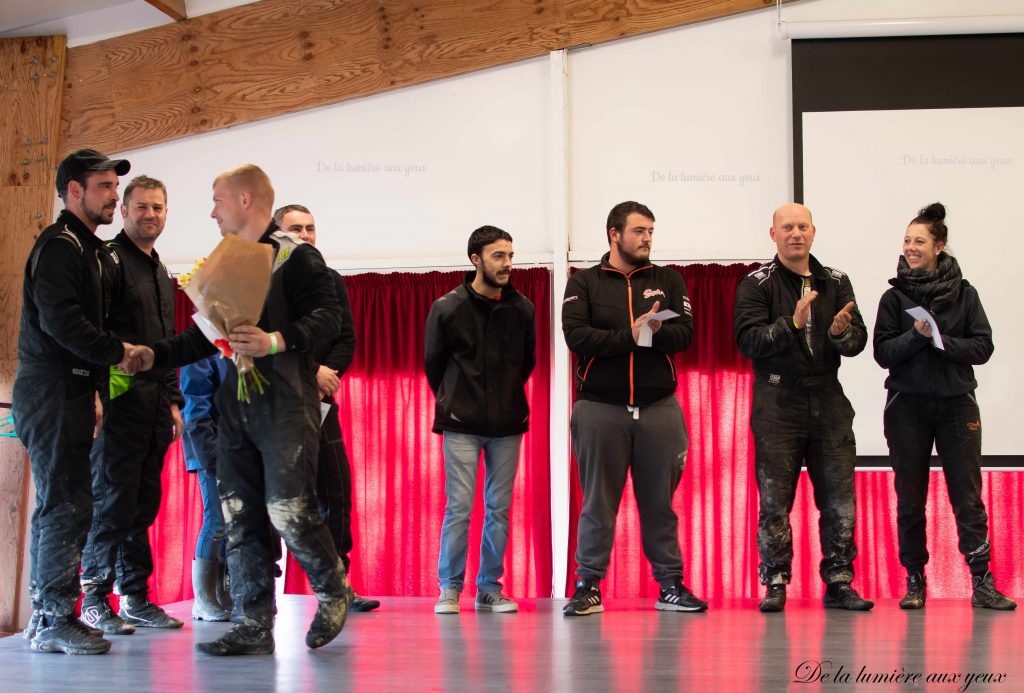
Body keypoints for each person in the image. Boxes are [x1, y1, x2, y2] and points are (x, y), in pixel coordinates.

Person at [130, 164, 351, 655]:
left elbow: (330, 318)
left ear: (246, 200)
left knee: (288, 508)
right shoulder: (226, 260)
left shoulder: (298, 258)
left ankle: (333, 589)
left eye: (218, 200)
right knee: (238, 514)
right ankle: (254, 622)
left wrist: (276, 340)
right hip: (236, 406)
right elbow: (205, 334)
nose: (212, 211)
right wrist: (154, 355)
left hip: (287, 403)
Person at [13, 148, 140, 655]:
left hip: (72, 389)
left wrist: (94, 389)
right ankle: (49, 620)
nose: (114, 195)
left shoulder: (88, 249)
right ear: (73, 191)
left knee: (72, 502)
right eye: (105, 186)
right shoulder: (61, 246)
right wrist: (119, 354)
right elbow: (61, 323)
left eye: (114, 185)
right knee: (63, 504)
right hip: (48, 389)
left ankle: (53, 615)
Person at [561, 201, 707, 616]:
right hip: (599, 408)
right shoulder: (584, 282)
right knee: (597, 502)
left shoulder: (669, 279)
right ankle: (588, 585)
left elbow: (686, 333)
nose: (647, 238)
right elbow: (577, 336)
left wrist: (655, 334)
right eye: (640, 231)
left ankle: (671, 585)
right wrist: (630, 334)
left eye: (650, 232)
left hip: (659, 407)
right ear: (614, 233)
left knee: (660, 503)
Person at [873, 202, 1015, 611]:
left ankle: (982, 581)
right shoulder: (893, 298)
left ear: (939, 246)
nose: (910, 247)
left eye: (919, 241)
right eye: (906, 240)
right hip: (907, 408)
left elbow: (983, 346)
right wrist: (917, 336)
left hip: (957, 406)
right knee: (910, 497)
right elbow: (883, 353)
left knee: (968, 497)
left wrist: (941, 341)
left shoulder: (965, 294)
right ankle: (915, 580)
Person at [734, 203, 872, 613]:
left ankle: (840, 581)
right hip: (778, 403)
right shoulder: (756, 284)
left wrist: (841, 334)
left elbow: (858, 340)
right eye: (787, 227)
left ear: (814, 232)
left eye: (803, 227)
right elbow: (747, 342)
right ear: (773, 234)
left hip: (828, 399)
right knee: (775, 502)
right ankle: (775, 580)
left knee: (839, 500)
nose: (796, 234)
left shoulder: (836, 281)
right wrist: (791, 324)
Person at [80, 175, 185, 635]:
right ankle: (92, 599)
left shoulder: (162, 271)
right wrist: (97, 396)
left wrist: (175, 401)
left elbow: (167, 345)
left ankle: (136, 598)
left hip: (156, 403)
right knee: (111, 501)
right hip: (117, 399)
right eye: (141, 207)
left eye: (158, 207)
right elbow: (90, 333)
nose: (150, 215)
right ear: (124, 211)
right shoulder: (109, 261)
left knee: (143, 501)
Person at [424, 225, 536, 614]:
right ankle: (449, 589)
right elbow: (434, 366)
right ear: (476, 259)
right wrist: (461, 401)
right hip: (461, 424)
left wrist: (504, 397)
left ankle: (489, 588)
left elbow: (527, 363)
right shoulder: (447, 308)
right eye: (498, 256)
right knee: (459, 507)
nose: (507, 263)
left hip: (508, 425)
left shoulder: (523, 308)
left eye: (510, 255)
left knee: (499, 508)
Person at [273, 203, 379, 612]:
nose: (305, 234)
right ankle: (256, 592)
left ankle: (338, 586)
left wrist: (325, 376)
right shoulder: (264, 280)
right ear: (277, 234)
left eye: (311, 228)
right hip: (277, 405)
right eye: (295, 228)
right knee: (274, 499)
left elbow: (345, 338)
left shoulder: (330, 280)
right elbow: (269, 339)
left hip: (321, 404)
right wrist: (309, 371)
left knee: (336, 492)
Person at [180, 354, 233, 621]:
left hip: (232, 449)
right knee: (216, 522)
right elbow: (195, 407)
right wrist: (211, 456)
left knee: (229, 524)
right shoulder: (199, 351)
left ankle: (222, 594)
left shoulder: (231, 348)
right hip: (209, 449)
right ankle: (203, 600)